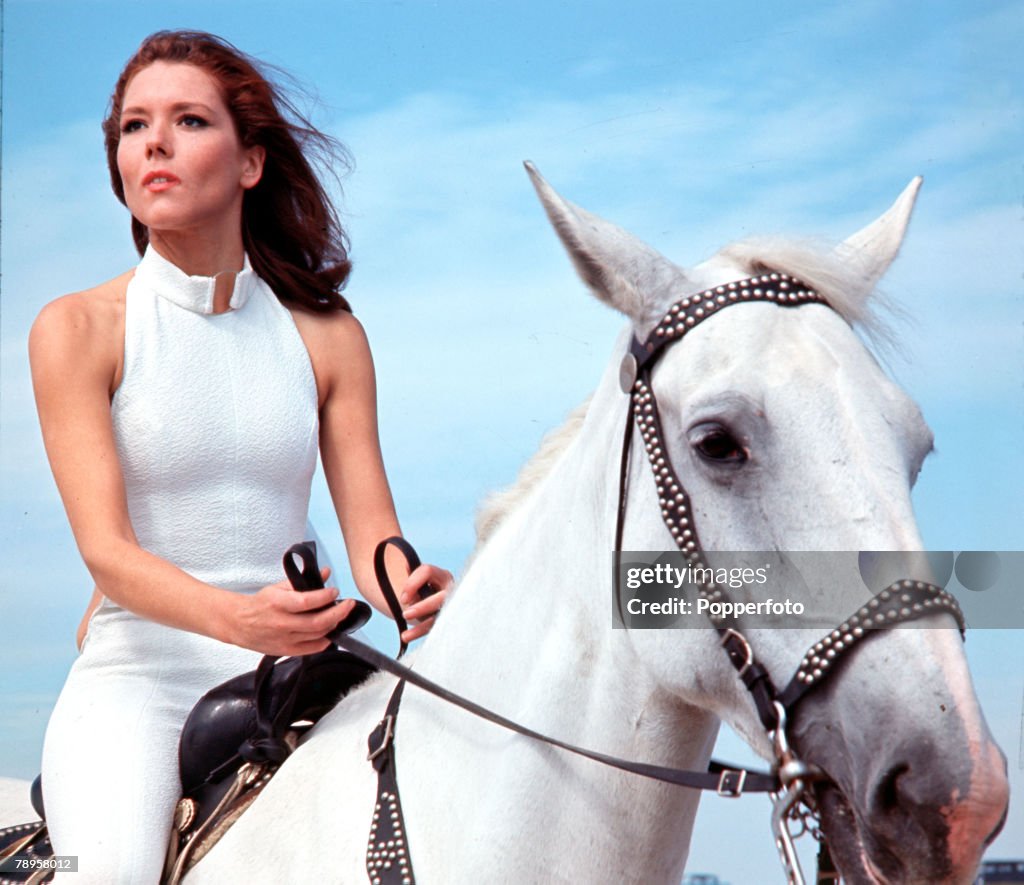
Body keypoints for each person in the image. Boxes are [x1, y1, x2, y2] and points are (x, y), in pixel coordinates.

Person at [30, 30, 452, 883]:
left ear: (251, 161)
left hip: (299, 678)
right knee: (106, 871)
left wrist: (409, 586)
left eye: (188, 120)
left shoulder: (329, 335)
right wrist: (237, 620)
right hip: (138, 679)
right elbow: (107, 554)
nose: (154, 142)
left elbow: (375, 536)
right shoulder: (77, 329)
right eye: (133, 127)